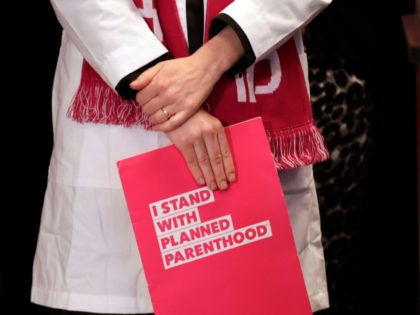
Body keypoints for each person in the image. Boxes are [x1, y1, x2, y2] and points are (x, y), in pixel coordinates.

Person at [31, 0, 331, 314]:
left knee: (251, 294)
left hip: (251, 70)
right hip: (117, 117)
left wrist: (215, 58)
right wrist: (167, 98)